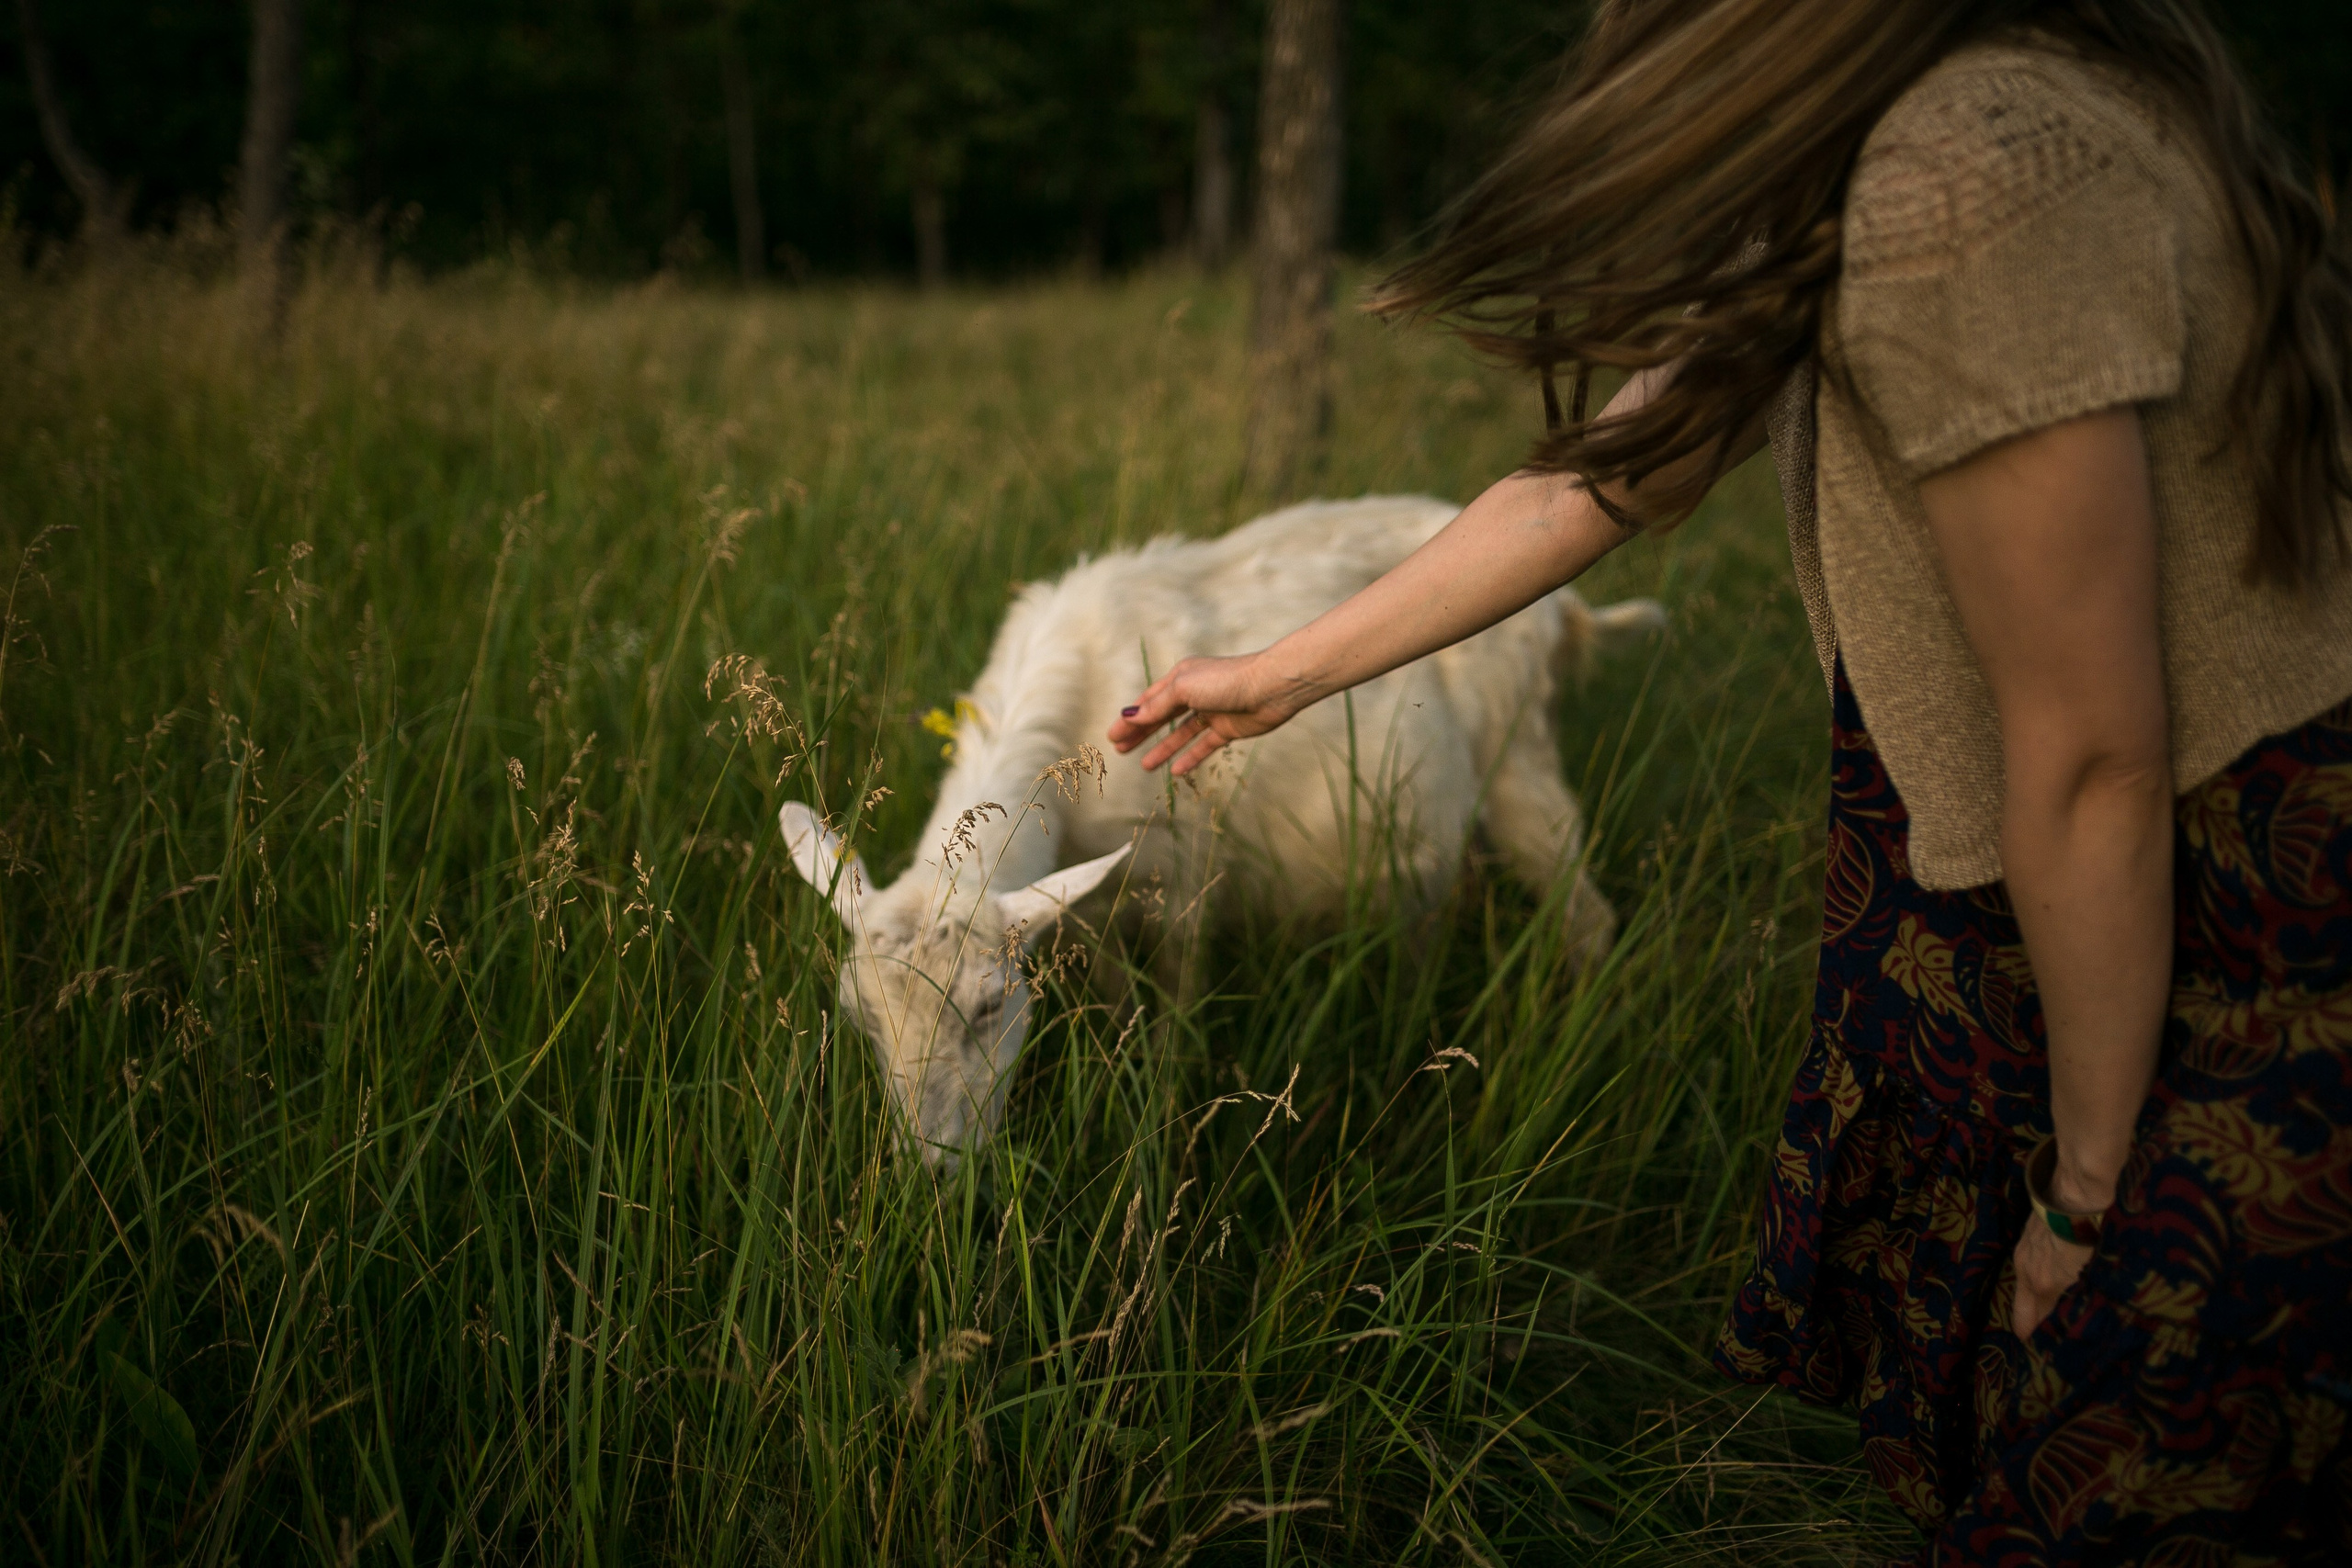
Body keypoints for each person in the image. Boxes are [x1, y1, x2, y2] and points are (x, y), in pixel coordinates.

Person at [1107, 0, 2352, 1560]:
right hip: (2048, 872)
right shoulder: (1890, 123)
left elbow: (2099, 756)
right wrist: (1282, 674)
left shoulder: (1961, 179)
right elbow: (1620, 467)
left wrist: (2096, 1189)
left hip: (2219, 902)